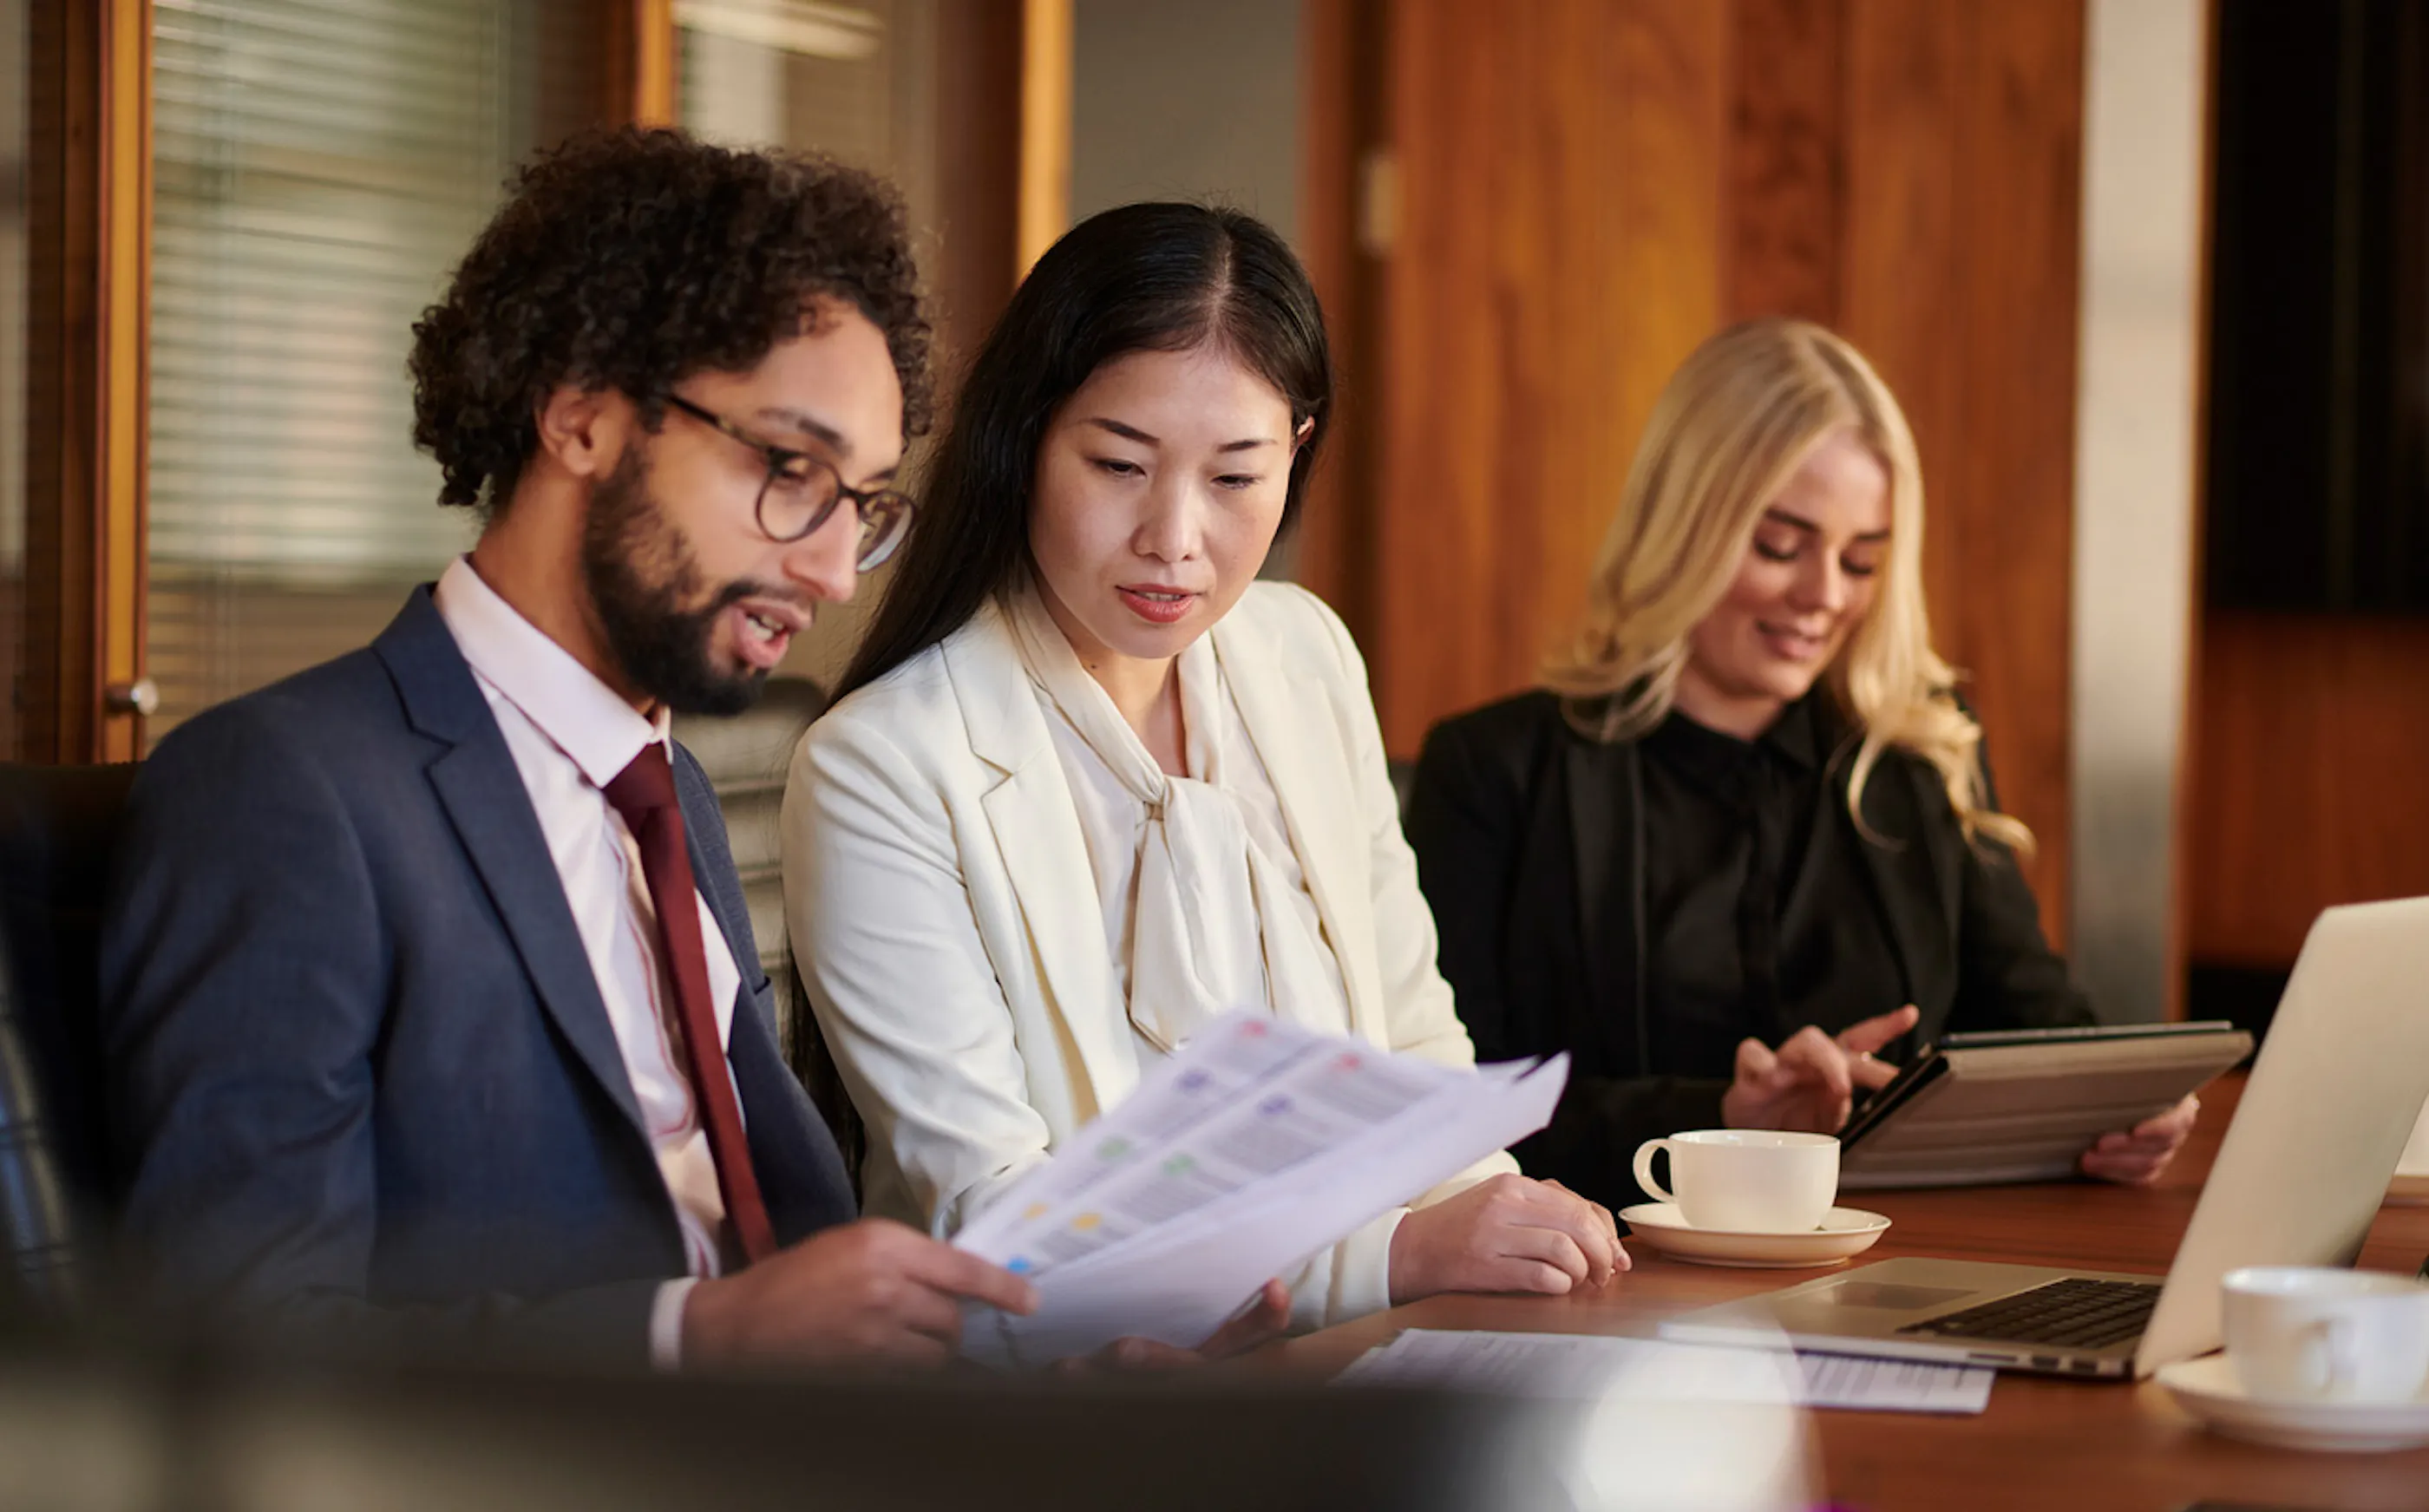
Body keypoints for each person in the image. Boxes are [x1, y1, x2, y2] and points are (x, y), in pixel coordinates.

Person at [100, 128, 1041, 1369]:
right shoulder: (285, 792)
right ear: (582, 413)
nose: (828, 565)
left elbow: (789, 1238)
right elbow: (234, 1354)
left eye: (860, 504)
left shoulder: (675, 796)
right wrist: (691, 1334)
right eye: (790, 468)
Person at [782, 203, 1626, 1332]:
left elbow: (1415, 1037)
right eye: (1121, 464)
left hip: (1379, 1357)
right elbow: (995, 1216)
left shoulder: (1304, 652)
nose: (1175, 537)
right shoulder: (883, 763)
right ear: (1026, 440)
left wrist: (1504, 1226)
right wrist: (1400, 1255)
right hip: (1079, 1413)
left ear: (1299, 453)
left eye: (1236, 478)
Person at [1404, 317, 2198, 1208]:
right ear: (1684, 525)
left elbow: (2036, 1017)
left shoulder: (1917, 754)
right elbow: (1454, 1107)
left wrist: (2115, 1106)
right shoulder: (1491, 775)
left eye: (1861, 560)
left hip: (1901, 1258)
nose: (1824, 596)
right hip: (1612, 1272)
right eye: (1779, 547)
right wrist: (1722, 1118)